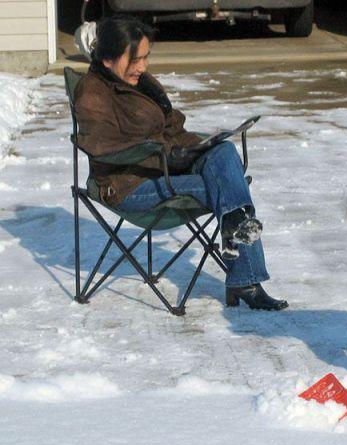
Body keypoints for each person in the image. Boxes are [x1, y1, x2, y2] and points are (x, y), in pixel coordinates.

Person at [74, 15, 287, 311]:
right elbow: (103, 149)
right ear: (108, 59)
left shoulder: (142, 83)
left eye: (146, 58)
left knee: (224, 153)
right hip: (129, 186)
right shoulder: (92, 93)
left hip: (169, 168)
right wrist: (163, 154)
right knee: (227, 187)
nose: (143, 67)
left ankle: (240, 251)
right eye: (135, 59)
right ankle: (245, 278)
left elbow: (173, 128)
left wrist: (199, 147)